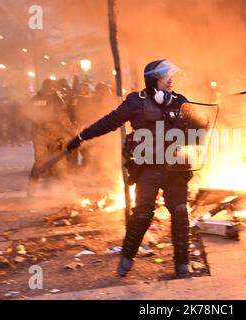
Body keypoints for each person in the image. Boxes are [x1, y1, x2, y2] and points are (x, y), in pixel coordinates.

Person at [66, 60, 192, 277]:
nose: (171, 80)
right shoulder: (136, 101)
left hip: (175, 168)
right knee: (143, 214)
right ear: (153, 80)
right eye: (165, 77)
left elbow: (195, 127)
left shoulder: (180, 101)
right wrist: (82, 136)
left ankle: (182, 264)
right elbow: (111, 121)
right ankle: (126, 259)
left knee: (180, 212)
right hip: (147, 167)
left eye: (171, 76)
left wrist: (200, 127)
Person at [24, 79, 76, 196]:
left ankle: (31, 187)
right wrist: (74, 132)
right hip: (54, 134)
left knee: (40, 161)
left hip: (38, 134)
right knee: (59, 159)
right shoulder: (56, 99)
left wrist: (38, 121)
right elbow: (63, 118)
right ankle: (67, 187)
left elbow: (26, 113)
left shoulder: (35, 99)